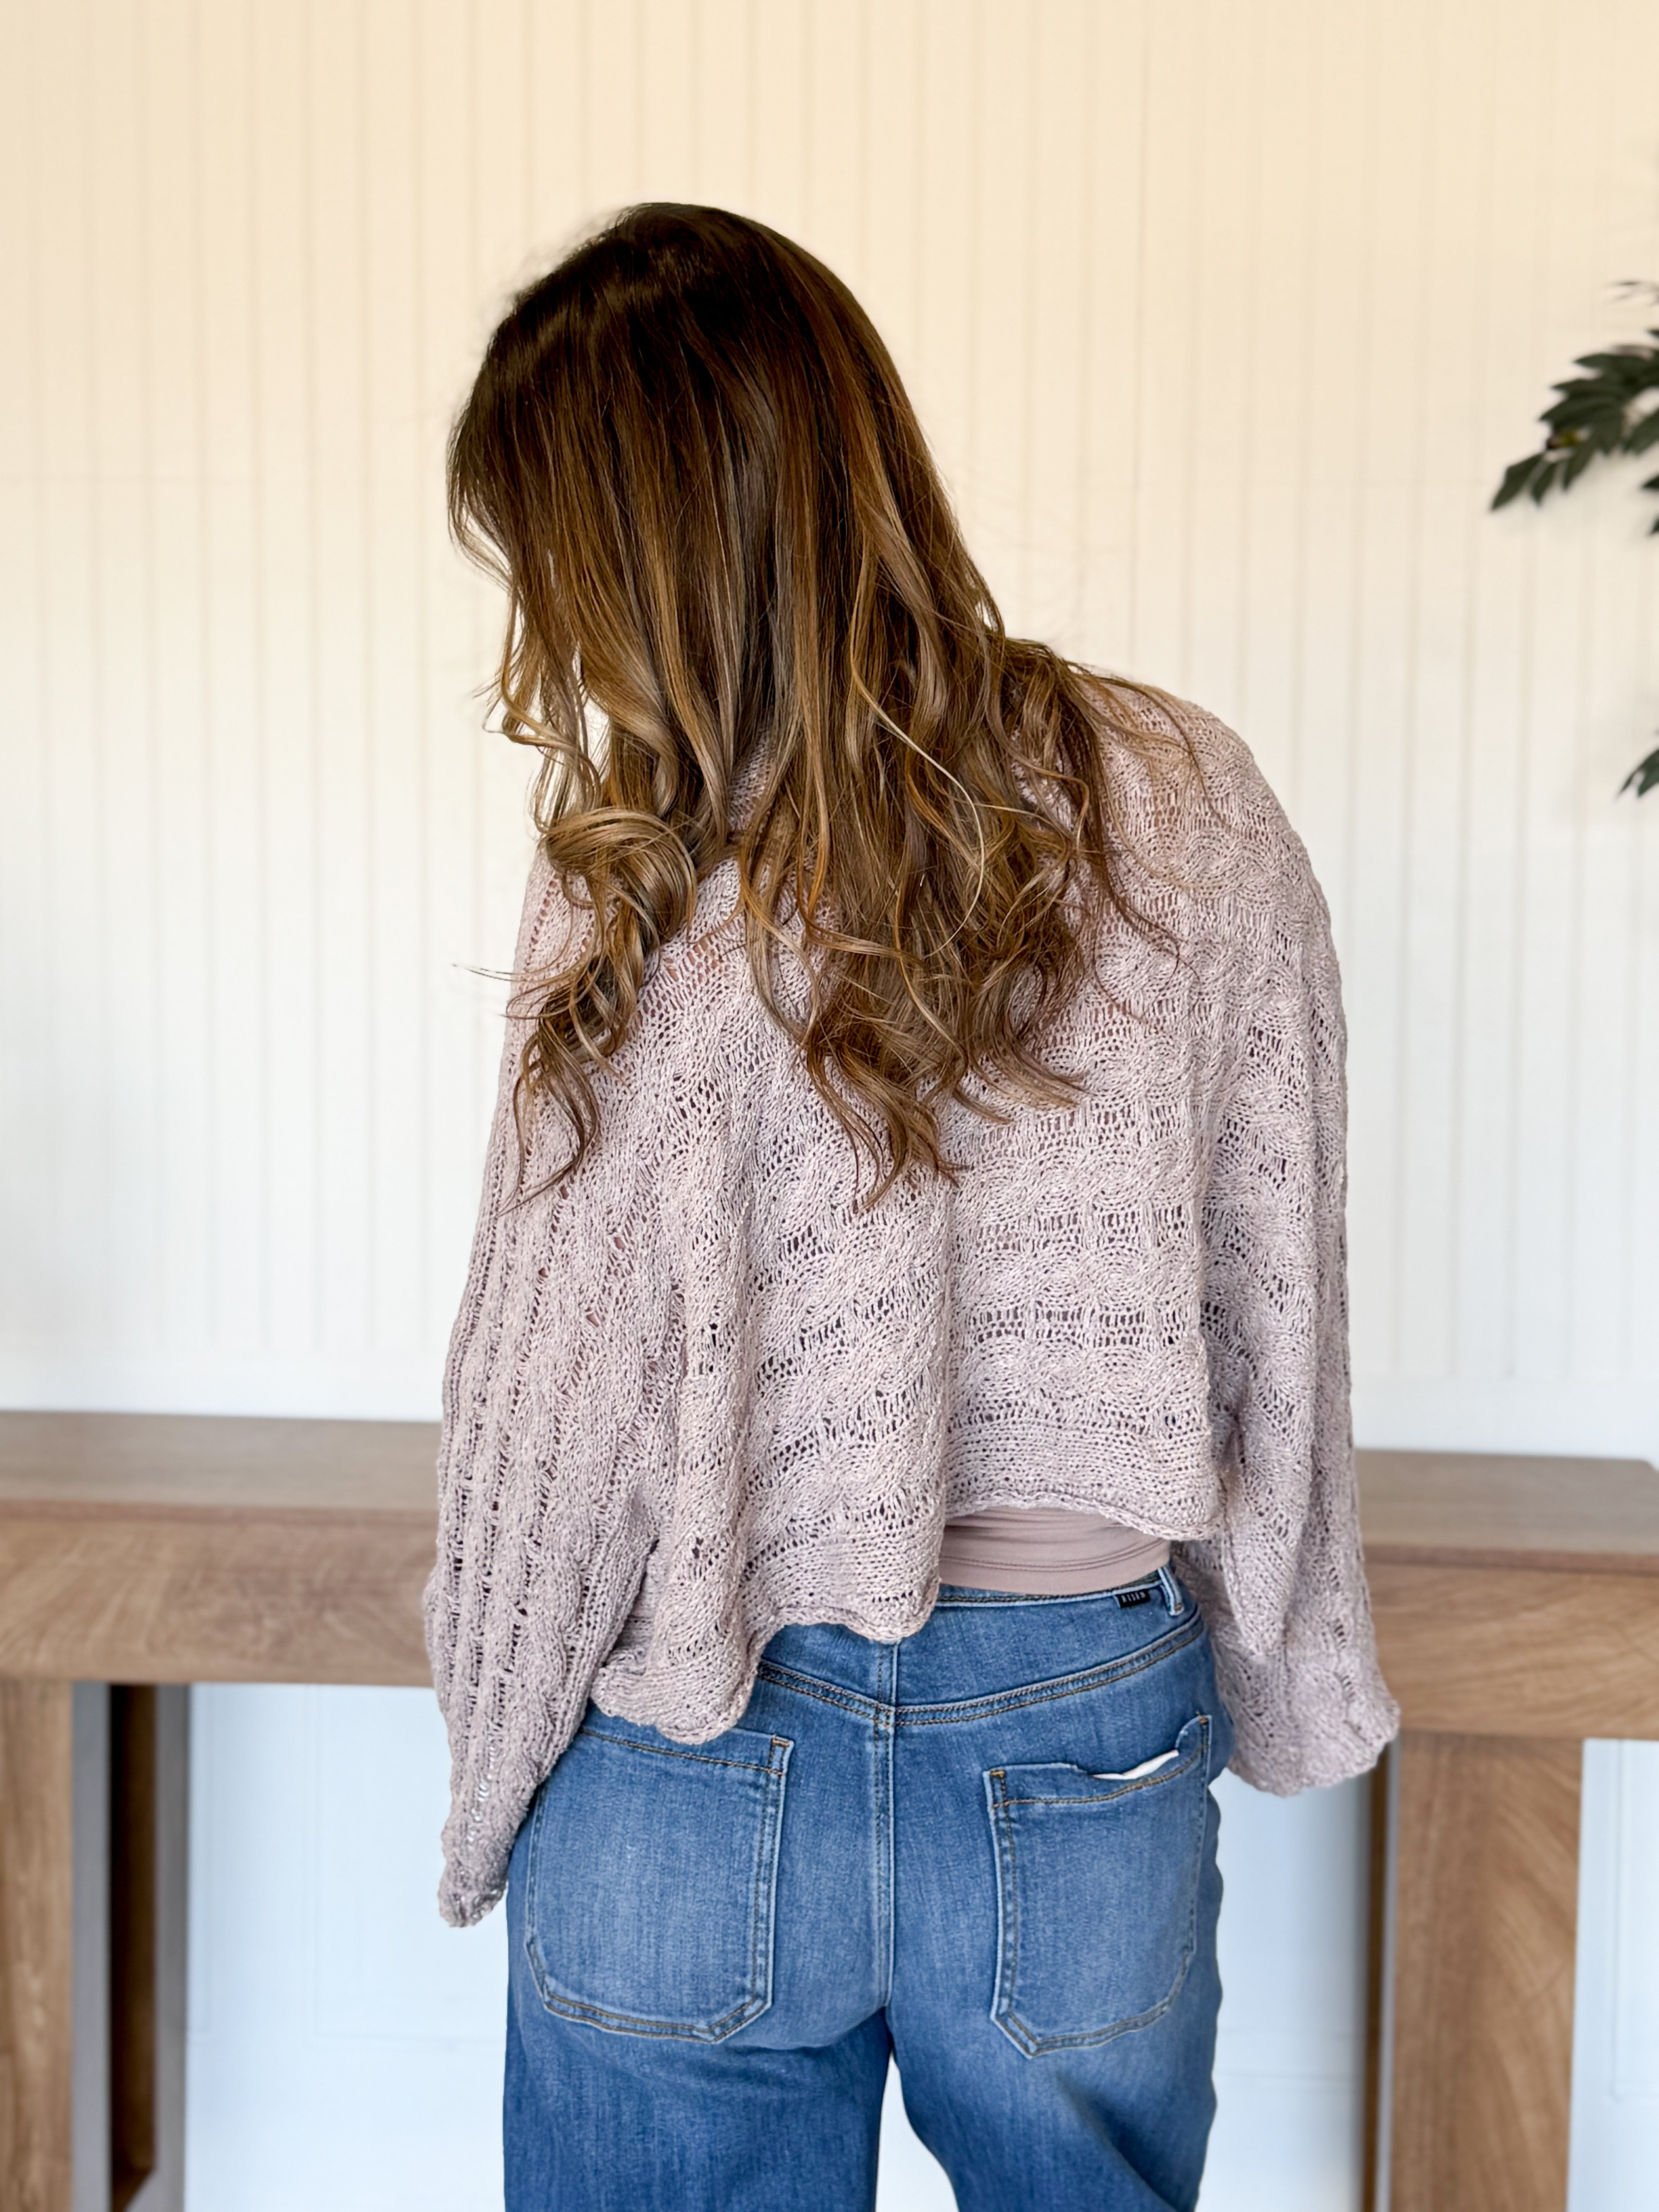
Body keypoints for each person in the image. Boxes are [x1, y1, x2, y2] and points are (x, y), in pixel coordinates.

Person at [425, 203, 1397, 2212]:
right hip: (1078, 1752)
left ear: (630, 565)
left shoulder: (637, 878)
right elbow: (1274, 1287)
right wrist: (1284, 1659)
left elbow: (549, 1419)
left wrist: (492, 1765)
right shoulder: (1188, 799)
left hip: (691, 1750)